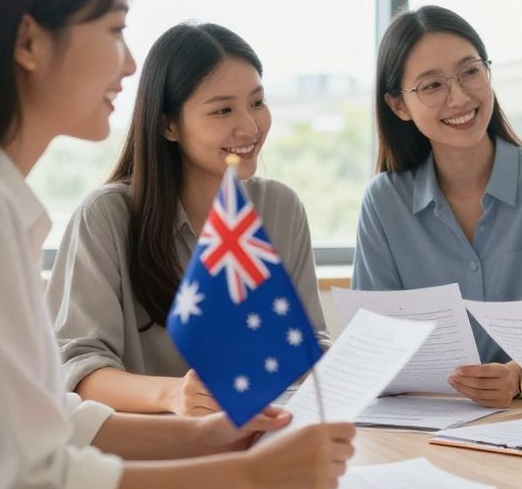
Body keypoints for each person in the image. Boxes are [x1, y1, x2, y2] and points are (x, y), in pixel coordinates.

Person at [0, 0, 353, 489]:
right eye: (114, 29)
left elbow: (48, 424)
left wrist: (211, 436)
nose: (129, 66)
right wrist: (251, 477)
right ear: (29, 42)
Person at [50, 21, 330, 416]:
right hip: (151, 449)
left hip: (262, 436)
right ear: (168, 124)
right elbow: (77, 368)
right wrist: (171, 395)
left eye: (257, 102)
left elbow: (305, 342)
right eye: (223, 110)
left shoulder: (280, 207)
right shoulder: (106, 217)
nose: (250, 126)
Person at [353, 5, 522, 407]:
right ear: (399, 106)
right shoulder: (383, 202)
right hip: (421, 422)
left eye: (471, 72)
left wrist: (517, 376)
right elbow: (378, 346)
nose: (460, 97)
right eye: (432, 86)